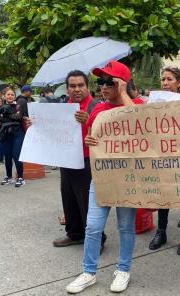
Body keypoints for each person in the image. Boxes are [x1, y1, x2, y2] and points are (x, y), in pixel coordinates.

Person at [65, 61, 139, 294]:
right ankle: (88, 272)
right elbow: (91, 137)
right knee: (93, 226)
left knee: (126, 226)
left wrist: (125, 93)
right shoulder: (98, 109)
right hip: (102, 176)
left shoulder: (136, 104)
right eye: (100, 82)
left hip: (128, 177)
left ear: (122, 83)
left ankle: (123, 269)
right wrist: (90, 140)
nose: (103, 87)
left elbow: (140, 124)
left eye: (109, 82)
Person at [52, 70, 102, 248]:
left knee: (88, 203)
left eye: (81, 85)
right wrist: (35, 124)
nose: (77, 89)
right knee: (69, 198)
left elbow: (106, 133)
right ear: (67, 89)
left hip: (88, 161)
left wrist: (88, 121)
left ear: (88, 87)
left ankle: (97, 240)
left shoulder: (96, 107)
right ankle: (74, 234)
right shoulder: (65, 107)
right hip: (67, 159)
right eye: (72, 86)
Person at [149, 66, 180, 255]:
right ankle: (161, 232)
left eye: (169, 79)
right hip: (162, 154)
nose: (165, 83)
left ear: (179, 82)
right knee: (164, 194)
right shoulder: (154, 102)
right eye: (163, 80)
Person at [0, 88, 26, 187]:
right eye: (8, 94)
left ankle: (20, 178)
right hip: (4, 134)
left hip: (17, 134)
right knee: (7, 156)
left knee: (16, 155)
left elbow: (19, 117)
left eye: (12, 94)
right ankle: (9, 177)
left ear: (14, 96)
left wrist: (7, 114)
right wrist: (11, 116)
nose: (10, 96)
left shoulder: (18, 106)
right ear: (4, 96)